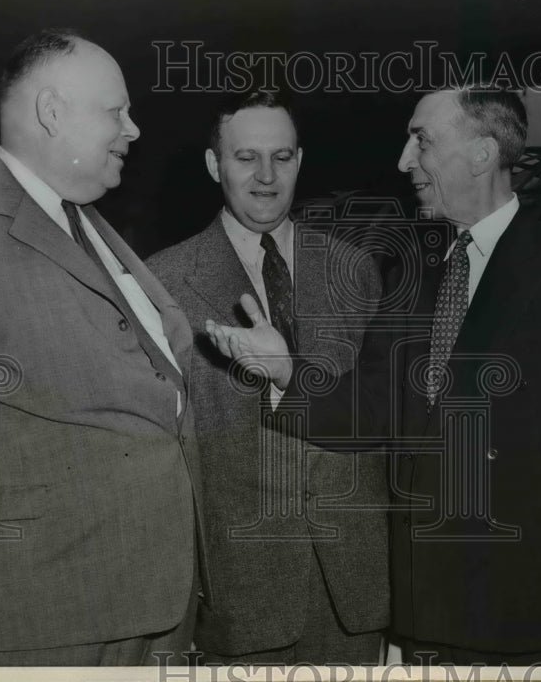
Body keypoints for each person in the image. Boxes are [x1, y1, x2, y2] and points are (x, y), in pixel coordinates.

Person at [203, 87, 541, 664]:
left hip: (527, 611)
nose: (405, 161)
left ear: (482, 154)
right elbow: (373, 408)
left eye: (422, 141)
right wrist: (285, 372)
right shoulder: (415, 274)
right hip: (425, 610)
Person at [0, 29, 204, 666]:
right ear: (52, 111)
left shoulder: (92, 229)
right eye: (117, 111)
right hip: (29, 620)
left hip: (155, 603)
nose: (133, 130)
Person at [146, 91, 389, 664]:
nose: (265, 176)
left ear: (299, 161)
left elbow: (382, 415)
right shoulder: (164, 281)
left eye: (281, 157)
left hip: (354, 585)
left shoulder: (354, 269)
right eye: (246, 157)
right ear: (215, 165)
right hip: (237, 591)